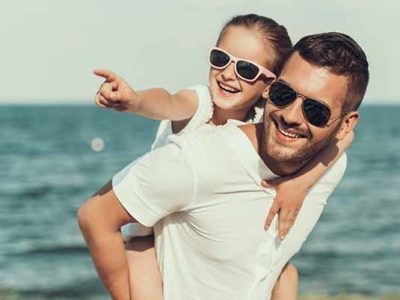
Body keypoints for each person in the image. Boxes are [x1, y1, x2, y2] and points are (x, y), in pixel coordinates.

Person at [78, 31, 369, 300]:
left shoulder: (330, 166)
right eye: (285, 94)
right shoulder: (199, 158)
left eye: (316, 111)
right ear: (270, 89)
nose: (291, 115)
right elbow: (95, 215)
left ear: (344, 124)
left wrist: (300, 183)